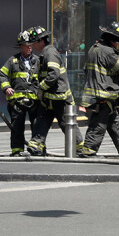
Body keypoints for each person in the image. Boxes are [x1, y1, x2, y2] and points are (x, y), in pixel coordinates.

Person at [77, 21, 119, 159]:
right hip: (103, 94)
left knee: (115, 123)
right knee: (98, 124)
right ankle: (88, 151)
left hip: (98, 94)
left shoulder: (94, 48)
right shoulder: (108, 51)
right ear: (113, 39)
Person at [25, 26, 83, 156]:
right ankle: (36, 146)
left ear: (40, 41)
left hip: (59, 98)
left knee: (66, 124)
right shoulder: (45, 53)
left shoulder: (50, 53)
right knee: (41, 121)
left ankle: (79, 148)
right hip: (49, 98)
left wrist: (41, 87)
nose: (32, 46)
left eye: (34, 42)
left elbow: (54, 74)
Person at [0, 30, 40, 156]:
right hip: (17, 101)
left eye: (30, 45)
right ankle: (17, 150)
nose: (29, 48)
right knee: (17, 126)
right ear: (21, 46)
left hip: (35, 101)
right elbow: (2, 75)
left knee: (37, 126)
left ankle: (37, 149)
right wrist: (7, 88)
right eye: (26, 45)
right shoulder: (12, 61)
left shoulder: (38, 61)